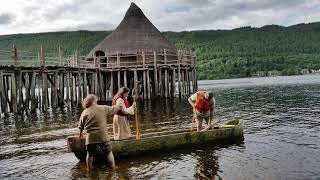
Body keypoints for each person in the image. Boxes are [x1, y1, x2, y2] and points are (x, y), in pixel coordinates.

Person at [78, 94, 120, 171]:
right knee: (108, 152)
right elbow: (115, 109)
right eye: (96, 100)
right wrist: (119, 103)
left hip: (90, 137)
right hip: (102, 136)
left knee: (90, 154)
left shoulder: (84, 112)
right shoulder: (103, 108)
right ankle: (113, 167)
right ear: (94, 101)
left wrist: (80, 136)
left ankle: (89, 168)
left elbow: (80, 126)